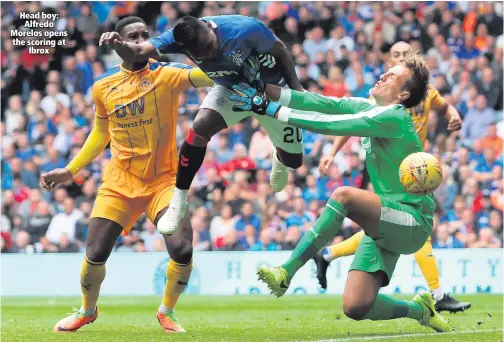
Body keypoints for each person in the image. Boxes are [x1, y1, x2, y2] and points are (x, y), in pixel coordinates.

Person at [229, 51, 451, 332]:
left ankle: (286, 271)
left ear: (404, 94)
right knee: (356, 306)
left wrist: (272, 110)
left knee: (343, 195)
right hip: (385, 217)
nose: (383, 75)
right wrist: (264, 90)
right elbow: (320, 103)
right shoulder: (370, 107)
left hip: (413, 220)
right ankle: (420, 309)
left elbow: (330, 124)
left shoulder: (393, 117)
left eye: (392, 76)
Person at [40, 16, 213, 334]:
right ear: (119, 43)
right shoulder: (102, 87)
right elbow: (100, 133)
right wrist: (70, 170)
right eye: (133, 35)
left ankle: (167, 311)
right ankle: (87, 310)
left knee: (182, 249)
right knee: (95, 253)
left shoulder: (167, 75)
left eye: (146, 35)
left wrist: (214, 52)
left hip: (164, 180)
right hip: (120, 182)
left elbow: (208, 77)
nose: (141, 40)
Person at [99, 15, 304, 236]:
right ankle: (178, 202)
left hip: (270, 91)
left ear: (209, 27)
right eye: (202, 52)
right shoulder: (175, 38)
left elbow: (281, 50)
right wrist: (118, 45)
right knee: (200, 128)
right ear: (185, 49)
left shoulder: (244, 29)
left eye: (211, 45)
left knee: (294, 160)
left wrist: (296, 91)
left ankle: (280, 157)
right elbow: (137, 51)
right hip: (231, 90)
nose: (210, 53)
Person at [314, 41, 470, 313]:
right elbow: (354, 122)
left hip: (415, 169)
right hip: (386, 166)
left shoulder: (427, 92)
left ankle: (328, 253)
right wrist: (334, 152)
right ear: (389, 60)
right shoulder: (380, 95)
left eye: (404, 54)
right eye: (395, 55)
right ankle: (437, 293)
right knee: (401, 225)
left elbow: (445, 108)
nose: (400, 57)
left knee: (397, 225)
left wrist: (453, 116)